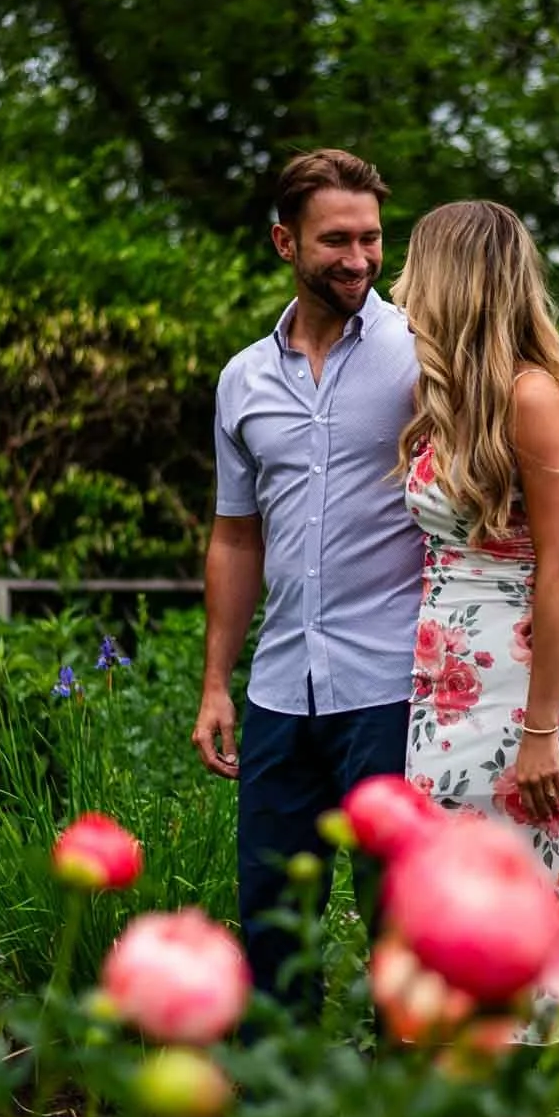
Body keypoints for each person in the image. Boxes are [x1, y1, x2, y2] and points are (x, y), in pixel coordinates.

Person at [191, 148, 424, 1008]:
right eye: (335, 241)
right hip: (282, 693)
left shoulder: (421, 355)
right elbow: (235, 536)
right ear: (284, 242)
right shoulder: (241, 381)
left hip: (394, 686)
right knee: (272, 928)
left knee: (399, 923)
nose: (358, 259)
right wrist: (218, 682)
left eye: (370, 239)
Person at [391, 201, 559, 876]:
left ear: (446, 278)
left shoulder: (531, 397)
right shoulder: (441, 402)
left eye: (412, 268)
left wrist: (541, 731)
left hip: (524, 691)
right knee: (445, 897)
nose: (400, 286)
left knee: (533, 896)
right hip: (442, 685)